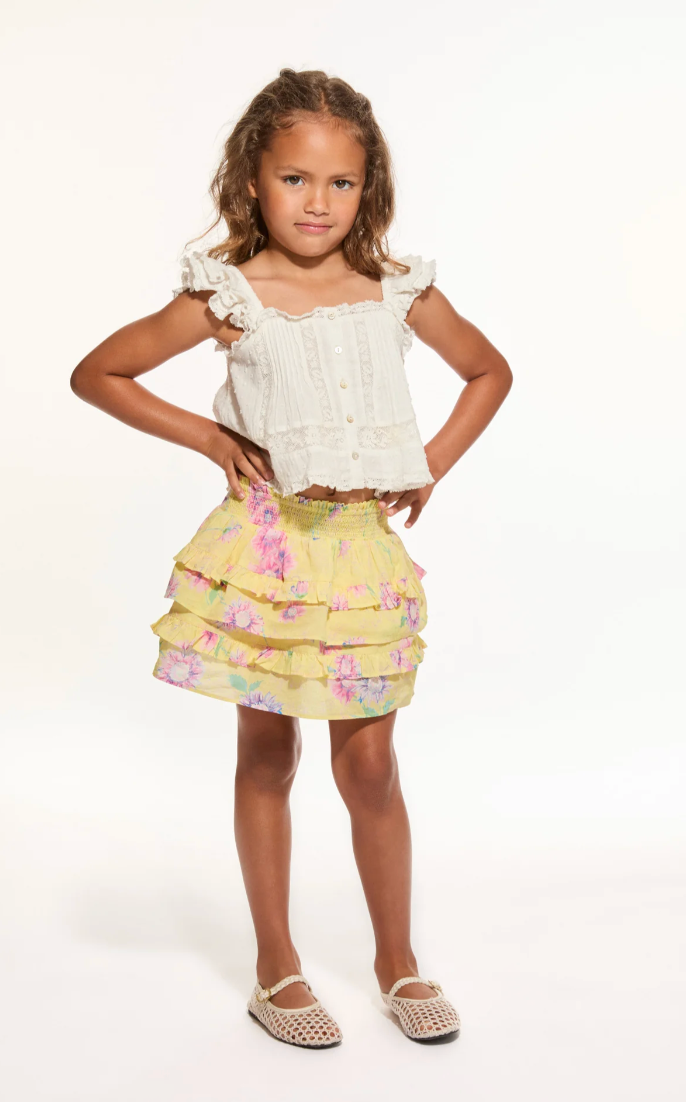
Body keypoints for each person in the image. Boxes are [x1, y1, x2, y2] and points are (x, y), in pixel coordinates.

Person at [70, 67, 512, 1047]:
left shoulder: (396, 290)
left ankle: (396, 960)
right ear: (253, 182)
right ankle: (276, 967)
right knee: (267, 754)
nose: (318, 202)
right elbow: (99, 372)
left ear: (368, 187)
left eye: (340, 182)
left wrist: (429, 461)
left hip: (358, 557)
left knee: (370, 765)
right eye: (295, 179)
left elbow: (489, 369)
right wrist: (208, 436)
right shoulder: (230, 295)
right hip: (267, 550)